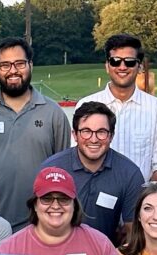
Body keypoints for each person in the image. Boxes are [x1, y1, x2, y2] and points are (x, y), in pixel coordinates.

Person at [0, 37, 71, 229]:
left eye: (19, 63)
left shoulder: (53, 114)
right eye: (5, 65)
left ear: (31, 65)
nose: (13, 70)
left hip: (40, 225)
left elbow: (62, 173)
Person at [39, 101, 145, 245]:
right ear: (75, 135)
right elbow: (38, 223)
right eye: (86, 131)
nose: (94, 139)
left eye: (101, 132)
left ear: (111, 136)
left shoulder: (129, 174)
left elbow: (133, 233)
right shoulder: (52, 169)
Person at [79, 33, 157, 177]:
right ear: (107, 66)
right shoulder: (85, 106)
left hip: (141, 196)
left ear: (139, 66)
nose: (122, 67)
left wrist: (146, 197)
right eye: (115, 61)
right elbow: (78, 158)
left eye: (129, 61)